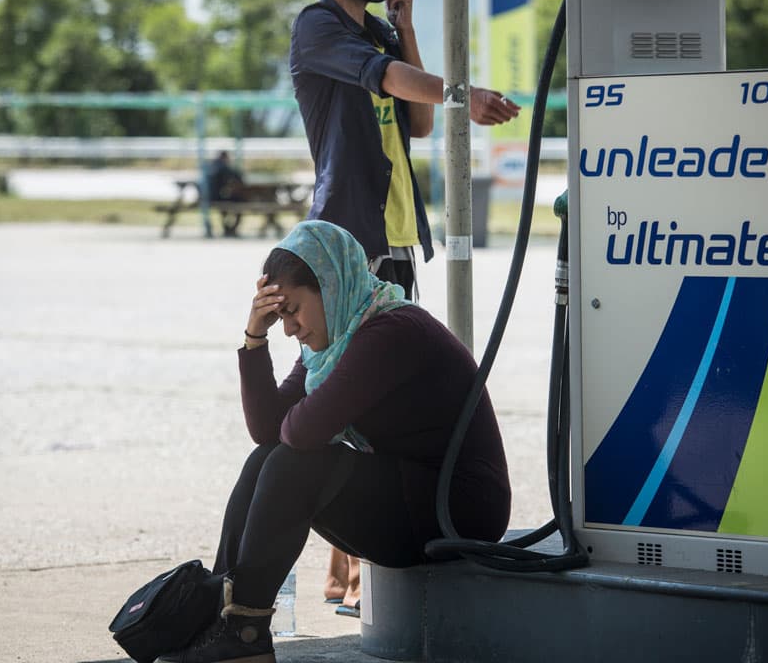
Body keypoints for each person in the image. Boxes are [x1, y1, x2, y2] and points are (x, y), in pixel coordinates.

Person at [166, 220, 511, 663]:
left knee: (295, 464)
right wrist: (254, 338)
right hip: (413, 496)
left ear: (329, 287)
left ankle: (243, 631)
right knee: (267, 458)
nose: (289, 328)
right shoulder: (335, 343)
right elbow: (267, 430)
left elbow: (302, 432)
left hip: (460, 510)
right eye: (279, 315)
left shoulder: (392, 332)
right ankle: (224, 617)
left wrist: (298, 419)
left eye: (292, 310)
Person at [290, 0, 520, 298]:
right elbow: (386, 75)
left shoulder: (381, 32)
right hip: (348, 233)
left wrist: (406, 31)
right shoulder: (317, 26)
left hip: (397, 232)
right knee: (343, 359)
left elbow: (419, 124)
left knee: (392, 357)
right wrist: (464, 97)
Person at [206, 151, 245, 237]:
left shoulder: (211, 166)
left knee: (228, 206)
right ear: (225, 157)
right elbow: (238, 176)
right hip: (217, 198)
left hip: (209, 197)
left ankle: (228, 228)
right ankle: (231, 229)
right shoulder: (222, 166)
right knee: (240, 203)